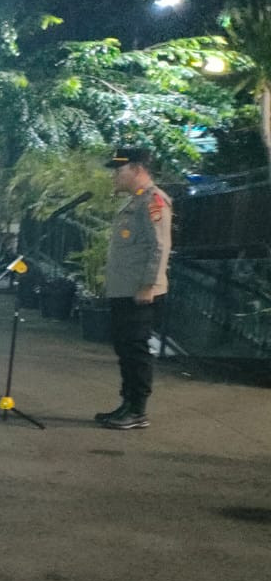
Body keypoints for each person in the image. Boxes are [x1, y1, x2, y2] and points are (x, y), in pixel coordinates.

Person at [97, 147, 173, 430]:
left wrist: (149, 285)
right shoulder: (135, 202)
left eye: (120, 170)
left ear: (138, 169)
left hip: (139, 292)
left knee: (135, 350)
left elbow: (160, 245)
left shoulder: (153, 200)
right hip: (124, 289)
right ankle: (127, 404)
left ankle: (137, 410)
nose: (115, 176)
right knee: (125, 349)